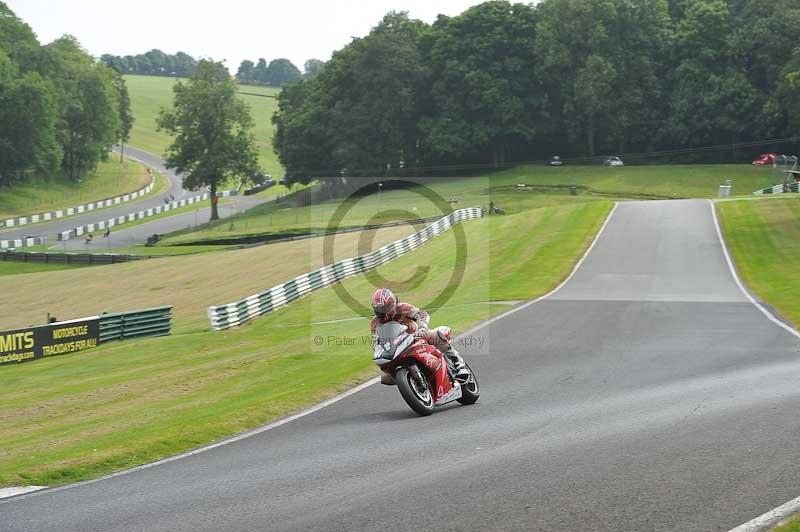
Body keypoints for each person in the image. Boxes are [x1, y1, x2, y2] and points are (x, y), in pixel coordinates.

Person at [370, 287, 469, 384]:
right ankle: (410, 381)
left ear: (392, 303)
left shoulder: (403, 308)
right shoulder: (375, 323)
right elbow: (376, 343)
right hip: (397, 349)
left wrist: (422, 327)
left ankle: (458, 365)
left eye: (384, 308)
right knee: (385, 377)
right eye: (379, 309)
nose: (382, 312)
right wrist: (379, 354)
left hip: (417, 337)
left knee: (434, 336)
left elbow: (422, 315)